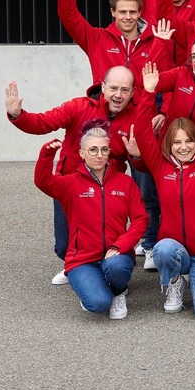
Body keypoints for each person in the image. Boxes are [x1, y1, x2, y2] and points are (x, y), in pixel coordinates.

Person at [6, 68, 157, 284]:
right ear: (103, 87)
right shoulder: (79, 107)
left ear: (133, 92)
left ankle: (104, 274)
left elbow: (144, 165)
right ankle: (79, 267)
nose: (118, 95)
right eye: (113, 88)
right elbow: (43, 122)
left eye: (125, 90)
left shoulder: (135, 119)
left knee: (106, 242)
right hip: (71, 186)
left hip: (106, 189)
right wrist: (18, 115)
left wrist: (136, 156)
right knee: (63, 246)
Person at [126, 62, 195, 319]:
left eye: (189, 141)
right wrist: (149, 93)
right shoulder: (160, 166)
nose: (183, 147)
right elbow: (143, 131)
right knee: (163, 250)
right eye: (177, 142)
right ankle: (174, 280)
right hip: (172, 246)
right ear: (168, 145)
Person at [34, 129, 147, 320]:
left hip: (116, 255)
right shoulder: (71, 183)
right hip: (82, 259)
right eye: (93, 150)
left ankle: (118, 291)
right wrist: (47, 154)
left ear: (109, 152)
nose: (99, 155)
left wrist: (121, 245)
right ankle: (94, 286)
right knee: (98, 304)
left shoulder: (125, 183)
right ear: (82, 153)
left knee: (117, 267)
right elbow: (43, 182)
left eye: (104, 149)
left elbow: (141, 219)